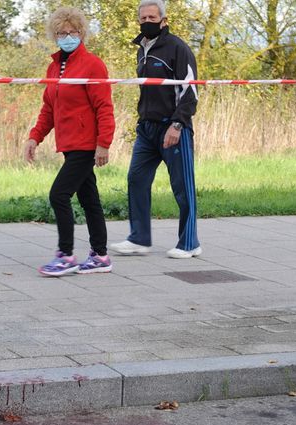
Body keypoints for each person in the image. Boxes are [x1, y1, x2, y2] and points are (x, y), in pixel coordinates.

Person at [23, 7, 116, 277]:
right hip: (68, 143)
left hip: (86, 145)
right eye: (62, 33)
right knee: (90, 200)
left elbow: (104, 107)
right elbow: (49, 109)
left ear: (81, 33)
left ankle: (65, 255)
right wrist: (34, 137)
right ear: (55, 35)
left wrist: (104, 143)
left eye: (72, 32)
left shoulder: (93, 64)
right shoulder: (54, 66)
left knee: (59, 195)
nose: (67, 36)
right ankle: (100, 256)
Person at [110, 0, 201, 259]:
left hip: (173, 129)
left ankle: (190, 242)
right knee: (136, 179)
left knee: (183, 186)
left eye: (152, 17)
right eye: (143, 17)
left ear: (164, 19)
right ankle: (139, 238)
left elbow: (190, 91)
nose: (147, 21)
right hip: (146, 129)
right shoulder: (142, 49)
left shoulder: (178, 48)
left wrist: (177, 124)